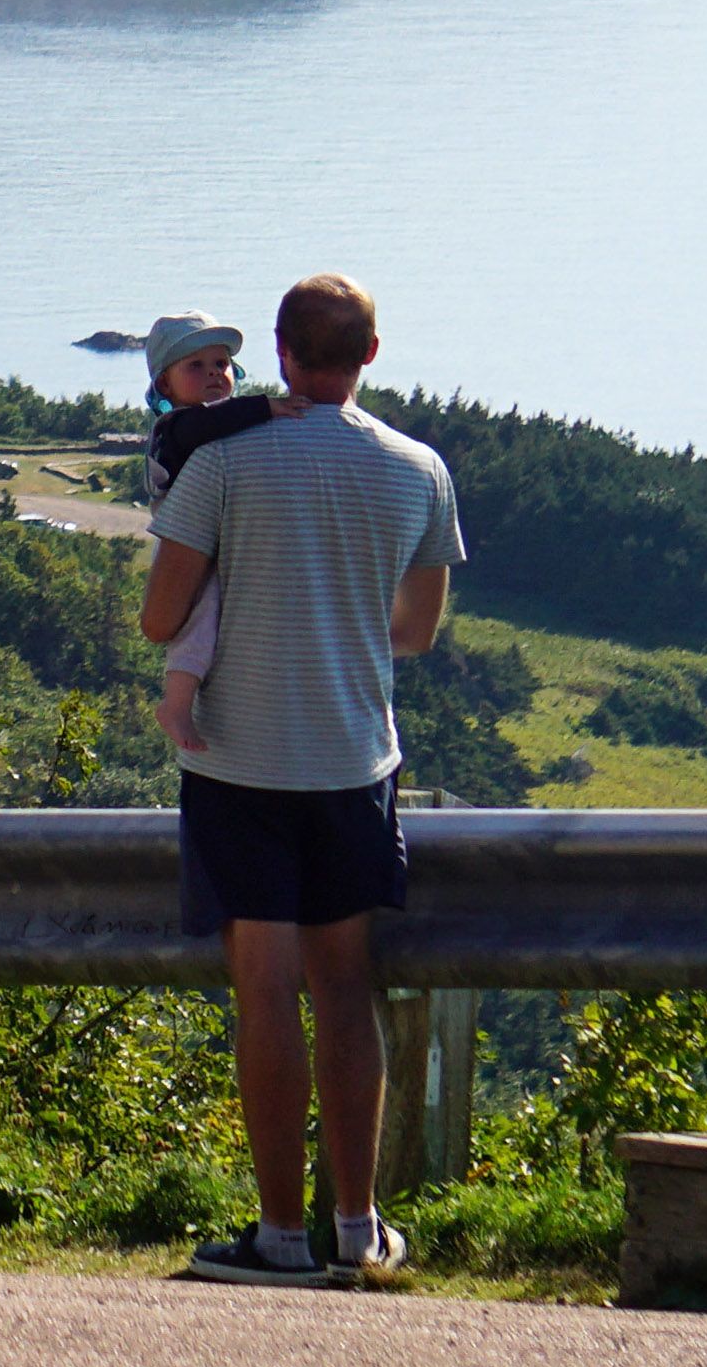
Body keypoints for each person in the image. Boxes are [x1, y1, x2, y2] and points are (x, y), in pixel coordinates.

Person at [138, 271, 464, 1288]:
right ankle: (359, 1230)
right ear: (370, 355)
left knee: (267, 996)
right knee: (344, 988)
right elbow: (414, 632)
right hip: (353, 763)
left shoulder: (223, 466)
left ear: (280, 354)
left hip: (238, 763)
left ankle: (280, 1239)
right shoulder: (420, 470)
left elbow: (160, 618)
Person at [126, 315, 265, 758]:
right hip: (185, 540)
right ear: (164, 387)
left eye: (221, 364)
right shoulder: (176, 428)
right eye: (196, 365)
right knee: (201, 618)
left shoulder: (220, 427)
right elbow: (210, 426)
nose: (213, 373)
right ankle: (177, 702)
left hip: (212, 539)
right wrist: (271, 408)